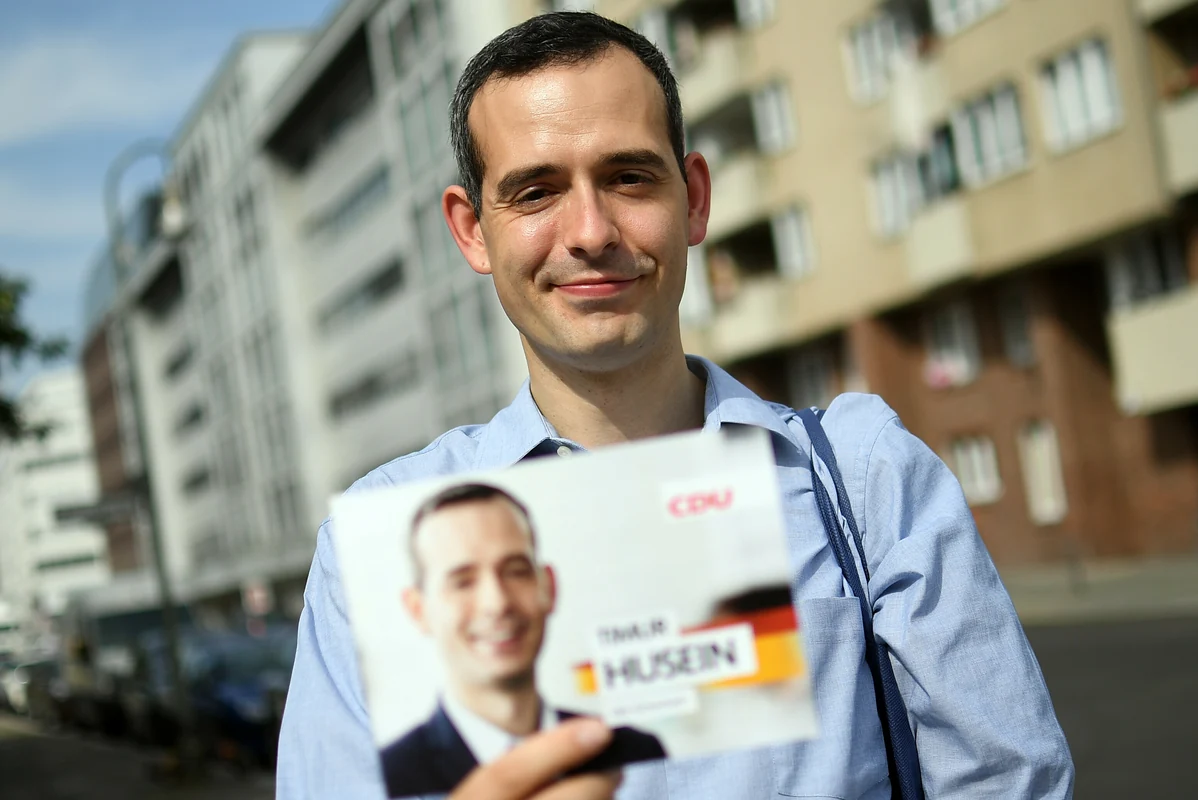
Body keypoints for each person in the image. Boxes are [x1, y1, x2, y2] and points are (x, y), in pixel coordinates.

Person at [278, 11, 1074, 800]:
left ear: (693, 199)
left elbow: (1013, 787)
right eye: (536, 191)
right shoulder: (380, 549)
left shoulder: (864, 482)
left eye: (628, 177)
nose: (590, 231)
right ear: (473, 231)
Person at [380, 483, 665, 797]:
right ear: (418, 610)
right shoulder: (389, 777)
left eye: (516, 571)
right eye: (462, 582)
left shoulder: (637, 748)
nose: (497, 603)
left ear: (549, 588)